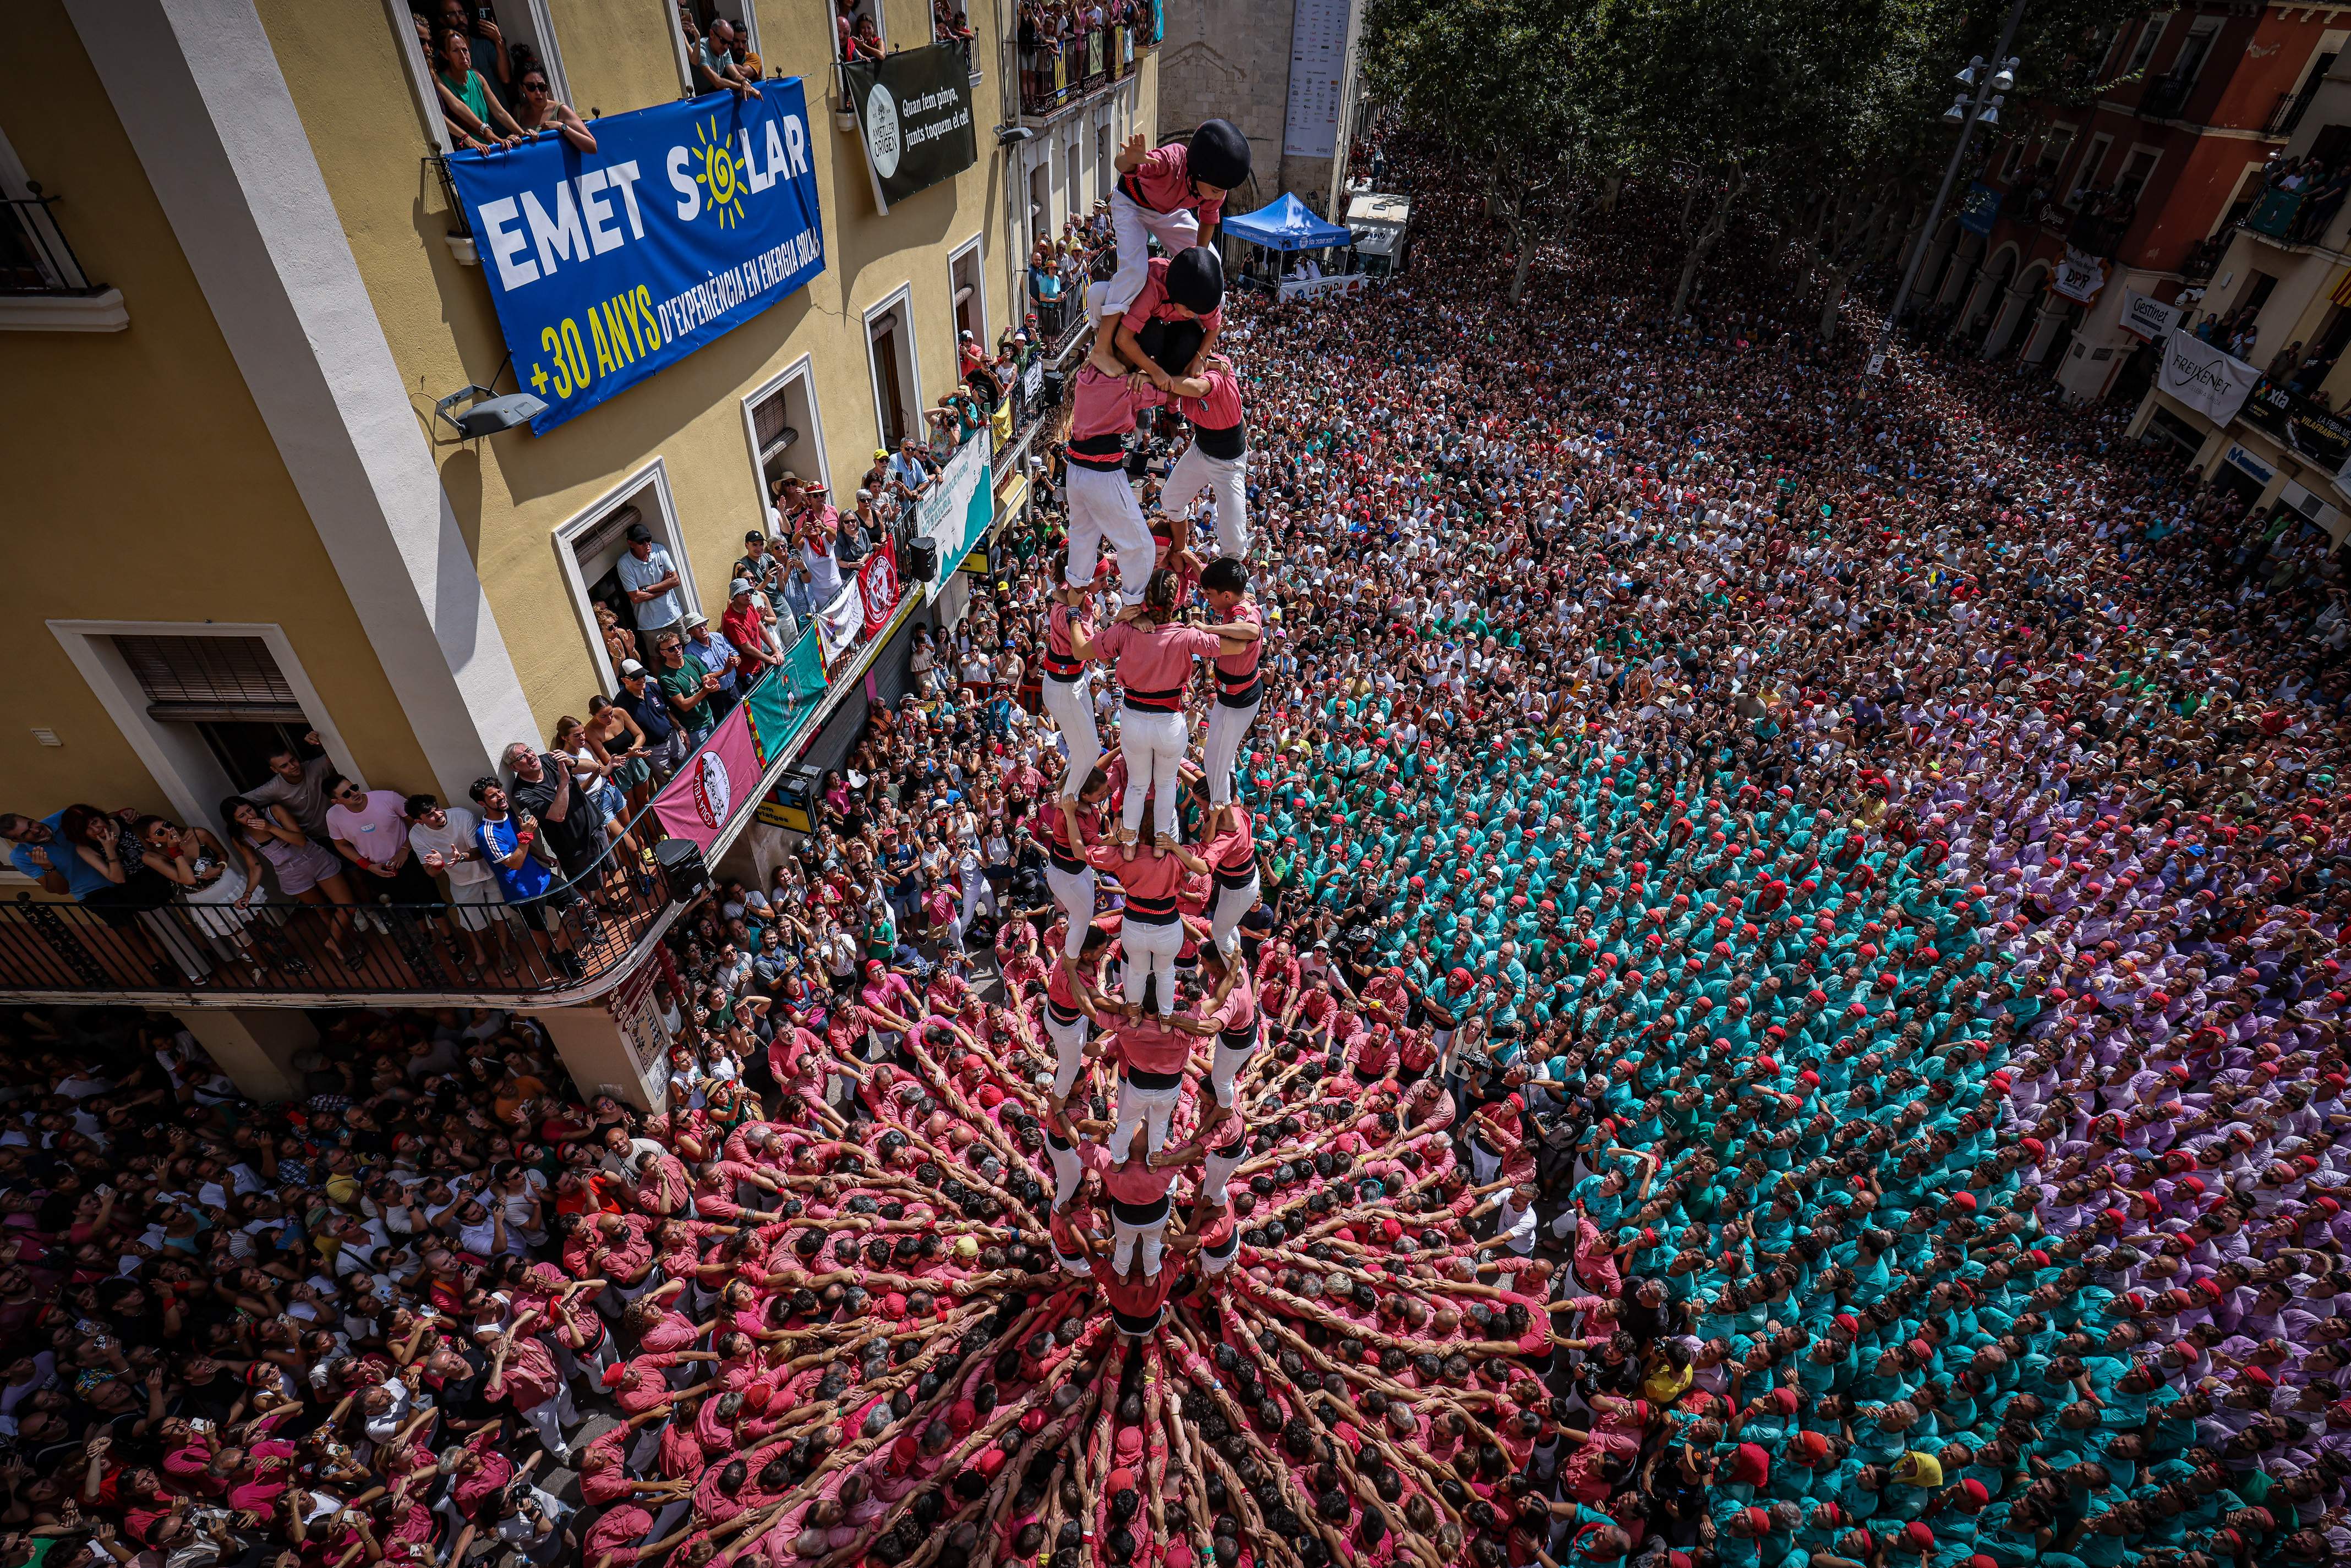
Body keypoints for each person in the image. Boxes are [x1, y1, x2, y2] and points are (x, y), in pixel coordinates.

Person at [1102, 119, 1249, 321]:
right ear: (1198, 172)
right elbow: (1121, 163)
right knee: (1135, 272)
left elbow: (1208, 220)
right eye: (1216, 190)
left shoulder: (1216, 188)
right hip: (1131, 204)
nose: (1219, 196)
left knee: (1213, 264)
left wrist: (1200, 262)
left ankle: (1193, 326)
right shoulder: (1171, 162)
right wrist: (1130, 158)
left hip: (1168, 212)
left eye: (1223, 191)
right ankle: (1104, 340)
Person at [469, 774, 584, 982]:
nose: (500, 797)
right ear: (482, 803)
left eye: (499, 791)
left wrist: (542, 856)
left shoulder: (510, 814)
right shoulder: (485, 834)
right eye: (492, 796)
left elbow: (522, 847)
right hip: (523, 895)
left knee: (579, 905)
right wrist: (526, 835)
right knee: (541, 935)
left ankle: (558, 951)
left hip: (543, 878)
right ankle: (558, 960)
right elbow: (514, 862)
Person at [404, 791, 512, 973]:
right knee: (473, 923)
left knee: (500, 915)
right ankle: (481, 957)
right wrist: (439, 866)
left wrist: (461, 857)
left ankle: (505, 953)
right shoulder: (416, 836)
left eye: (437, 809)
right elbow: (430, 872)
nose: (438, 815)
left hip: (489, 874)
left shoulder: (462, 816)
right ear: (419, 821)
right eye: (430, 814)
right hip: (461, 882)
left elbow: (480, 852)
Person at [616, 523, 687, 645]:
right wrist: (664, 588)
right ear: (631, 543)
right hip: (650, 623)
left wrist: (647, 589)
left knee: (684, 645)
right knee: (656, 656)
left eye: (648, 539)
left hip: (673, 613)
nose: (647, 544)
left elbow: (675, 581)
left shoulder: (660, 550)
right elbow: (636, 598)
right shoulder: (624, 564)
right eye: (641, 541)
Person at [508, 64, 595, 152]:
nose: (538, 93)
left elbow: (592, 146)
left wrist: (561, 127)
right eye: (531, 87)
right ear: (522, 88)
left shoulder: (561, 110)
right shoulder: (519, 113)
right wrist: (511, 140)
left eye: (542, 87)